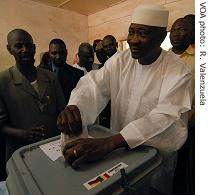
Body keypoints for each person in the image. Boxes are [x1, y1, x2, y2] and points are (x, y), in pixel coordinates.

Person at [57, 4, 192, 195]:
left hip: (153, 161)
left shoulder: (178, 71)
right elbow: (93, 84)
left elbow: (168, 118)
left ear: (161, 37)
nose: (133, 40)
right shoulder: (121, 60)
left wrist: (110, 143)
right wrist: (74, 107)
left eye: (142, 33)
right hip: (115, 155)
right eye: (131, 32)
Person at [0, 29, 66, 162]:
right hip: (22, 152)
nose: (24, 50)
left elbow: (62, 110)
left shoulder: (50, 77)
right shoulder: (3, 81)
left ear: (34, 48)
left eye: (29, 45)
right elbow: (1, 125)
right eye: (18, 46)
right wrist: (22, 133)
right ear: (9, 49)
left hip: (53, 148)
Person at [170, 17, 195, 195]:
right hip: (162, 124)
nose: (177, 33)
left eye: (182, 30)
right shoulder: (161, 58)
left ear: (191, 33)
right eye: (174, 30)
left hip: (189, 125)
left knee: (184, 169)